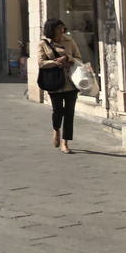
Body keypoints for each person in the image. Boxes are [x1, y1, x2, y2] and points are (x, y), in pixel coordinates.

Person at [38, 19, 82, 154]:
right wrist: (57, 63)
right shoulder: (43, 44)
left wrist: (68, 58)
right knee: (57, 111)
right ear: (51, 29)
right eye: (58, 28)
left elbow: (79, 58)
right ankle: (56, 129)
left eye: (62, 27)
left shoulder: (69, 41)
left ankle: (65, 142)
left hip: (71, 82)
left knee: (69, 112)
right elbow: (41, 63)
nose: (61, 30)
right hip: (54, 82)